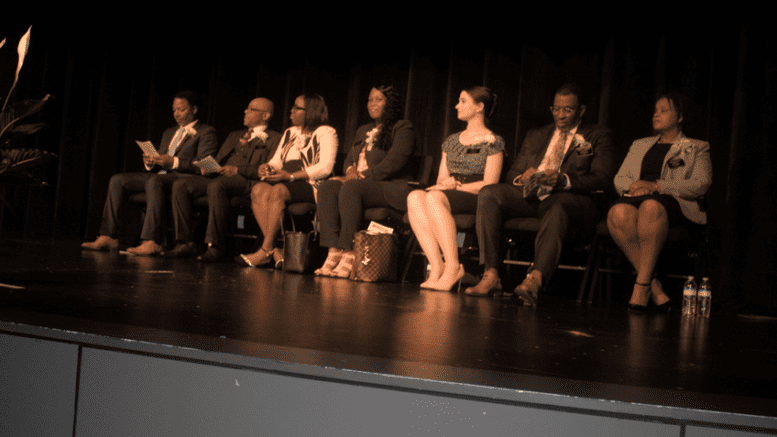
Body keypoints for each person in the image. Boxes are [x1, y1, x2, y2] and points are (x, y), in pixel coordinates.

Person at [465, 84, 614, 305]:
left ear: (581, 111)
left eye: (567, 110)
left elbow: (602, 178)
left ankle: (535, 280)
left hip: (570, 199)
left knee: (557, 204)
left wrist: (562, 180)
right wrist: (522, 178)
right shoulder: (537, 134)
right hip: (532, 196)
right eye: (556, 109)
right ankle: (490, 274)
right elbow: (512, 174)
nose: (560, 115)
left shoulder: (596, 135)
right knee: (489, 193)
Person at [607, 93, 711, 312]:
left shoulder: (696, 147)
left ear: (680, 117)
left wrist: (657, 186)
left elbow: (701, 184)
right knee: (617, 213)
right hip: (636, 198)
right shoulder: (640, 145)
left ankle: (641, 285)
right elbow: (620, 179)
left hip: (674, 206)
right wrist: (636, 187)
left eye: (664, 110)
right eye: (655, 110)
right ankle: (653, 286)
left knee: (651, 205)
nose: (657, 114)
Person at [81, 90, 218, 254]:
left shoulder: (206, 132)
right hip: (161, 176)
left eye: (181, 110)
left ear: (194, 109)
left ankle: (151, 240)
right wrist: (151, 161)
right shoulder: (169, 132)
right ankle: (108, 236)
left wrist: (174, 162)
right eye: (174, 110)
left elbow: (205, 164)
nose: (176, 114)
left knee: (154, 182)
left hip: (184, 180)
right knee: (118, 179)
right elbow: (161, 159)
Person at [407, 86, 504, 291]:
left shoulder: (493, 141)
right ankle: (437, 266)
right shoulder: (451, 141)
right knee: (415, 196)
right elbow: (442, 177)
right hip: (450, 192)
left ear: (479, 107)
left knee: (434, 198)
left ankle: (453, 265)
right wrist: (447, 182)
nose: (456, 105)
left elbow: (491, 183)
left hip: (477, 195)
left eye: (462, 101)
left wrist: (458, 187)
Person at [314, 86, 416, 278]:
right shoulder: (363, 130)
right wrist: (351, 170)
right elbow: (349, 160)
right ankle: (333, 251)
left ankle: (350, 252)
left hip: (390, 187)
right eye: (370, 100)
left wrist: (359, 177)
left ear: (390, 104)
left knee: (351, 186)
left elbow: (393, 163)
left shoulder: (402, 127)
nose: (372, 104)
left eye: (378, 99)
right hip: (359, 185)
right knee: (327, 187)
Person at [164, 97, 282, 261]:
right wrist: (208, 167)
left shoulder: (276, 137)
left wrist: (237, 170)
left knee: (217, 186)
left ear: (265, 116)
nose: (246, 111)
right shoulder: (235, 135)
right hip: (220, 176)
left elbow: (268, 169)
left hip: (247, 181)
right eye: (247, 108)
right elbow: (218, 160)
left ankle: (216, 246)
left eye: (252, 109)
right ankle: (185, 242)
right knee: (181, 184)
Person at [235, 93, 337, 267]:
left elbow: (325, 168)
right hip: (286, 180)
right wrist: (267, 167)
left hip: (311, 184)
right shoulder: (290, 132)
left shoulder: (326, 132)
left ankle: (265, 250)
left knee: (278, 190)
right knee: (258, 189)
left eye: (297, 107)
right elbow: (277, 161)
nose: (291, 110)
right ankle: (275, 251)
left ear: (310, 111)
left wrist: (290, 176)